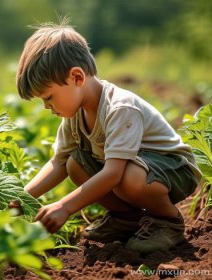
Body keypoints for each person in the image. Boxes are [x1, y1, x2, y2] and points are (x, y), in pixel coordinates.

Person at [15, 22, 202, 253]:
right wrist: (20, 198)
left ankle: (168, 221)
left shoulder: (120, 108)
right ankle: (126, 219)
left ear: (76, 77)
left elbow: (113, 173)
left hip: (175, 170)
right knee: (75, 164)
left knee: (128, 177)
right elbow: (58, 163)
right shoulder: (75, 115)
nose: (46, 106)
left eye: (49, 97)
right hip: (139, 171)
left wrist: (64, 207)